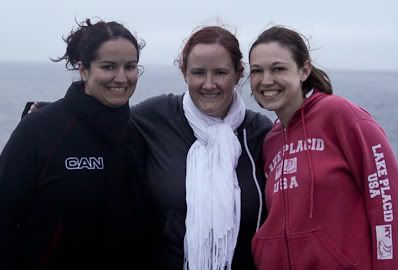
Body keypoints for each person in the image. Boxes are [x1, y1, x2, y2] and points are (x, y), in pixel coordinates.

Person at [21, 25, 273, 269]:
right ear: (184, 72)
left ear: (239, 73)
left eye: (220, 72)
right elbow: (102, 118)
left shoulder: (260, 132)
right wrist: (49, 114)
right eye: (198, 73)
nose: (208, 84)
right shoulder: (157, 116)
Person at [248, 25, 398, 270]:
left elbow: (386, 202)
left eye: (278, 68)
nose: (266, 80)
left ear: (304, 70)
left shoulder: (341, 116)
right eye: (257, 71)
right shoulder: (270, 141)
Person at [0, 18, 145, 269]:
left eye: (130, 66)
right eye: (108, 67)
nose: (121, 78)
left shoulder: (137, 133)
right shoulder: (40, 129)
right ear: (84, 69)